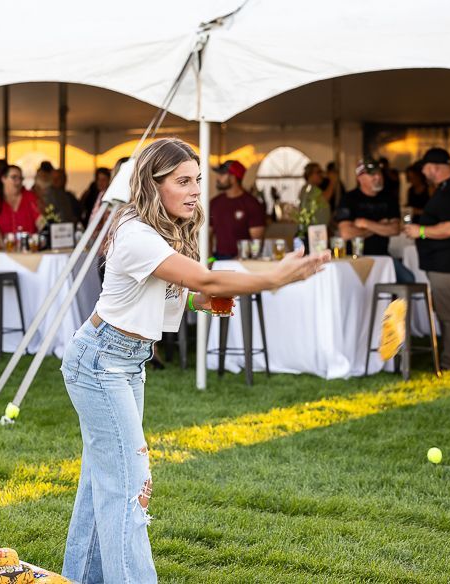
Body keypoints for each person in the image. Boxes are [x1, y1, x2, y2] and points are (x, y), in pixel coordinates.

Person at [60, 138, 328, 583]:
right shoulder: (136, 234)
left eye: (197, 181)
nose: (194, 191)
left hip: (125, 362)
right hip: (101, 362)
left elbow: (167, 290)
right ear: (153, 184)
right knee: (131, 487)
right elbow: (202, 275)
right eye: (183, 181)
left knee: (104, 483)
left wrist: (197, 301)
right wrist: (272, 278)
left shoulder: (160, 232)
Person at [403, 147, 450, 370]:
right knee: (445, 310)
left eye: (424, 167)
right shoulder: (449, 188)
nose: (423, 171)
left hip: (447, 262)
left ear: (434, 167)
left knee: (448, 312)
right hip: (444, 261)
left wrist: (420, 231)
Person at [335, 157, 415, 283]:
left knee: (408, 279)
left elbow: (395, 229)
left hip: (382, 256)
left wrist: (365, 224)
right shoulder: (349, 199)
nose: (377, 177)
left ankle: (393, 303)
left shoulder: (389, 198)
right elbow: (346, 233)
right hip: (355, 258)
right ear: (360, 178)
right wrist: (380, 226)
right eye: (372, 174)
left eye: (379, 173)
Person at [209, 159, 265, 259]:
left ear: (233, 178)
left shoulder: (252, 204)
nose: (218, 178)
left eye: (222, 174)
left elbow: (257, 241)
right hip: (217, 259)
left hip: (243, 261)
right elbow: (207, 235)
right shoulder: (214, 203)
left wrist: (239, 262)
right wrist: (209, 259)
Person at [0, 164, 41, 248]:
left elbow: (40, 220)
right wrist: (6, 248)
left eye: (20, 178)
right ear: (3, 179)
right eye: (14, 177)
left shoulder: (29, 196)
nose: (18, 181)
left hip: (26, 250)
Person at [298, 162, 332, 230]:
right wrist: (332, 181)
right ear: (310, 174)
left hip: (318, 229)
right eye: (318, 172)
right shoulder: (309, 189)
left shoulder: (314, 189)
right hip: (314, 230)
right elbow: (325, 199)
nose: (321, 175)